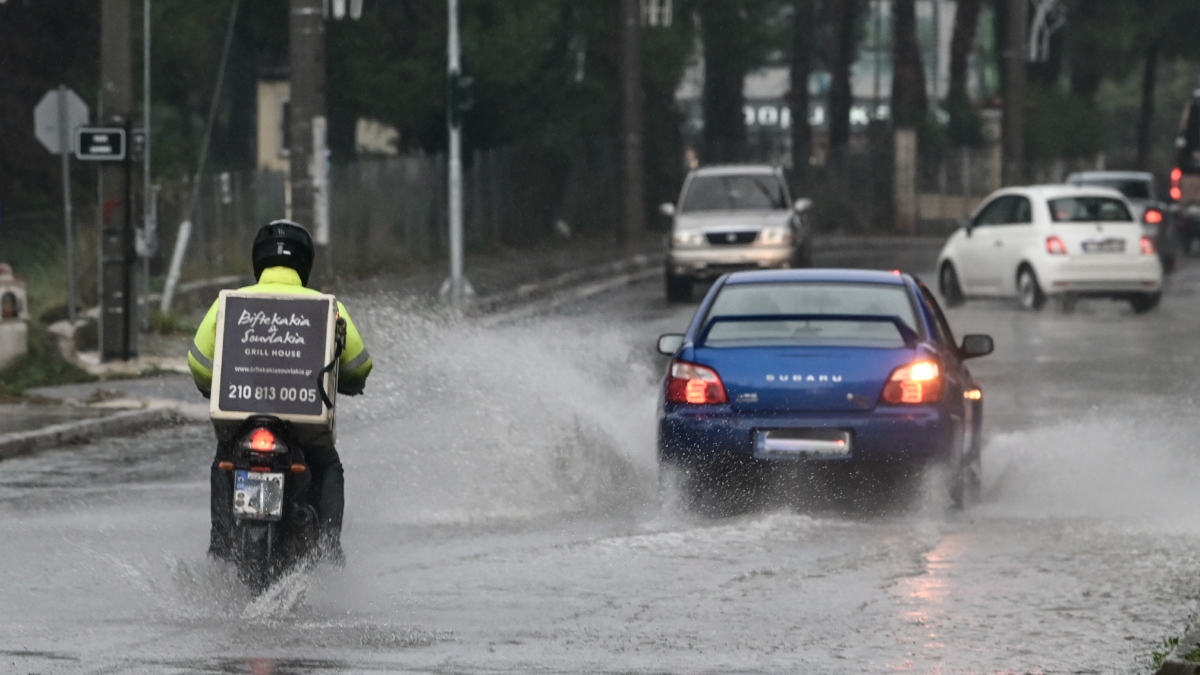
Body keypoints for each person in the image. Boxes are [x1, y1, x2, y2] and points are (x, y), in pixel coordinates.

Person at [188, 220, 372, 563]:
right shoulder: (328, 307)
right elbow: (358, 366)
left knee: (223, 460)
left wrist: (209, 385)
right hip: (304, 424)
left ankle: (221, 542)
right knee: (328, 465)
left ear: (258, 260)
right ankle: (329, 549)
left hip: (241, 420)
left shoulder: (229, 303)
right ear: (305, 262)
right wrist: (349, 384)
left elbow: (199, 362)